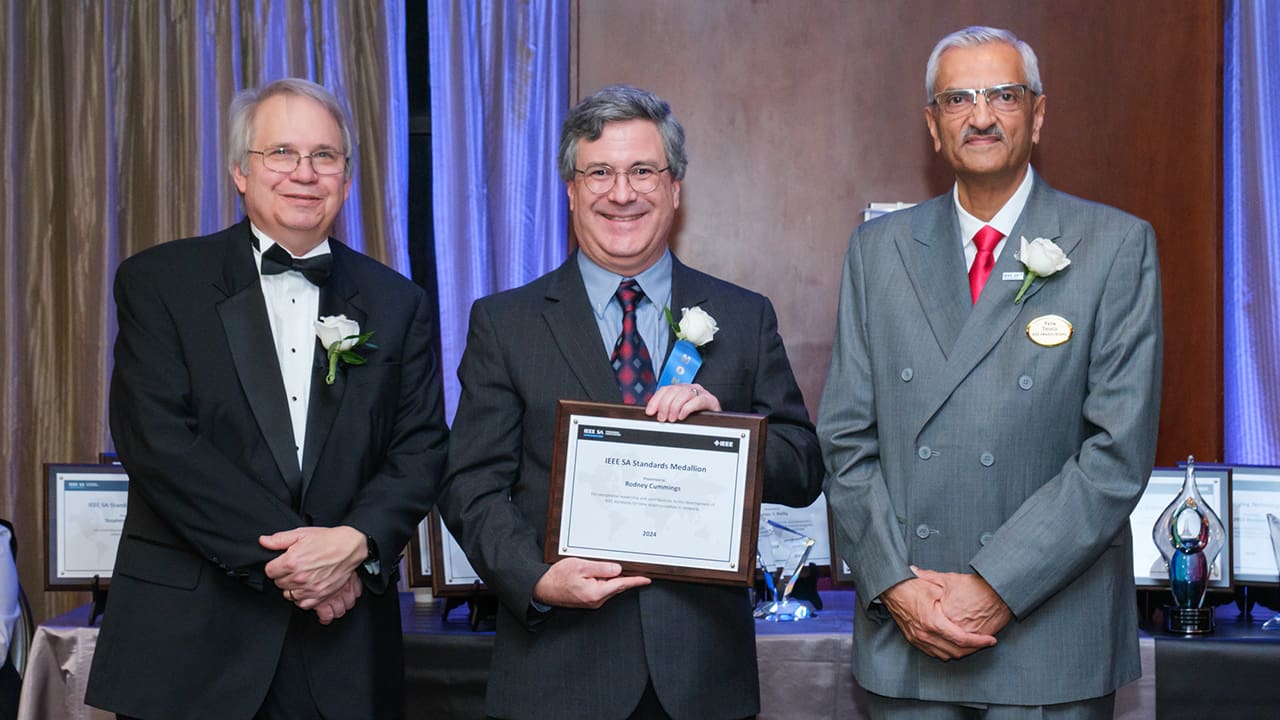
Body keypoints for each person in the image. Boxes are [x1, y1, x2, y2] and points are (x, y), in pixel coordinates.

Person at [440, 84, 824, 720]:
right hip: (557, 673)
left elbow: (804, 467)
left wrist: (728, 434)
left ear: (675, 188)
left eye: (643, 170)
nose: (622, 193)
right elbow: (470, 484)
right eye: (600, 172)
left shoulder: (743, 316)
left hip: (703, 681)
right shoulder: (505, 322)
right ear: (570, 190)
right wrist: (534, 578)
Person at [818, 26, 1162, 719]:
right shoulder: (877, 252)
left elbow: (1115, 457)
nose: (981, 116)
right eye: (957, 99)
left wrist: (997, 584)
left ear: (1038, 115)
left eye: (1003, 95)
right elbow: (845, 440)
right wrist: (895, 585)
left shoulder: (1115, 246)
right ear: (933, 126)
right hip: (910, 631)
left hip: (1049, 637)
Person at [85, 78, 449, 720]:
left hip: (342, 653)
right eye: (280, 153)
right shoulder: (160, 282)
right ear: (239, 172)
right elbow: (159, 443)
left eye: (324, 156)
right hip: (187, 645)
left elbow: (420, 448)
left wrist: (356, 544)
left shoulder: (398, 302)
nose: (304, 174)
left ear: (347, 175)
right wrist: (307, 565)